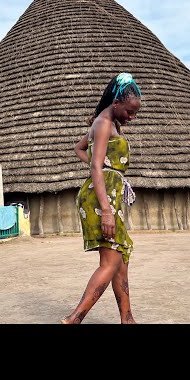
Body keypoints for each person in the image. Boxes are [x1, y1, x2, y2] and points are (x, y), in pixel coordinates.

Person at [61, 72, 142, 324]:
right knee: (110, 261)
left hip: (106, 194)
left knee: (120, 257)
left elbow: (79, 148)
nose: (132, 117)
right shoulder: (104, 123)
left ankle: (127, 319)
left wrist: (107, 167)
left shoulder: (107, 123)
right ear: (116, 103)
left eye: (135, 113)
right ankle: (74, 319)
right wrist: (106, 210)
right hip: (101, 199)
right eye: (129, 111)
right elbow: (96, 167)